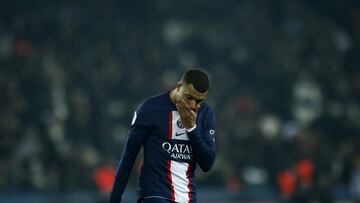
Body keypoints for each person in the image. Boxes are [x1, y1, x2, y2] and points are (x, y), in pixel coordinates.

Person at [109, 69, 216, 203]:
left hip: (187, 198)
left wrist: (191, 128)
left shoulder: (206, 114)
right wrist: (114, 198)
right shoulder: (150, 109)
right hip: (155, 195)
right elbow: (129, 155)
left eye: (199, 101)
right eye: (189, 97)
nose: (193, 105)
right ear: (178, 87)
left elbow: (207, 164)